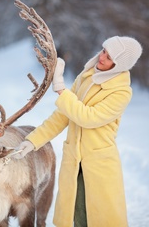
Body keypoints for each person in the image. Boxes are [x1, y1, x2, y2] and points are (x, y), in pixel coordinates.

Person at [13, 36, 142, 227]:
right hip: (74, 163)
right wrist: (32, 141)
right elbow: (62, 116)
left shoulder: (121, 92)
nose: (102, 57)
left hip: (99, 165)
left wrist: (60, 89)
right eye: (104, 50)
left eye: (110, 57)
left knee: (99, 218)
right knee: (76, 216)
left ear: (119, 65)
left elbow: (87, 117)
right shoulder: (86, 76)